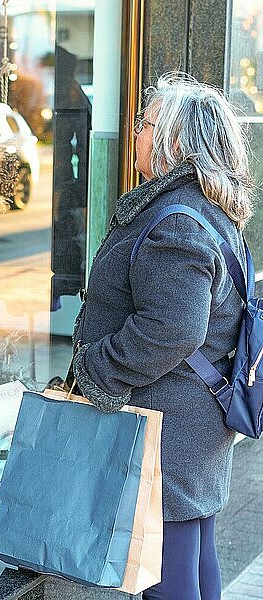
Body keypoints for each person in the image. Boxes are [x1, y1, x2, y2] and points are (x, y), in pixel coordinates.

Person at [71, 72, 253, 599]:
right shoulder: (209, 210)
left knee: (166, 569)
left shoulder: (178, 221)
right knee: (193, 553)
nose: (135, 134)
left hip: (167, 427)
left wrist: (95, 369)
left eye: (145, 124)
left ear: (173, 141)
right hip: (193, 421)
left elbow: (174, 328)